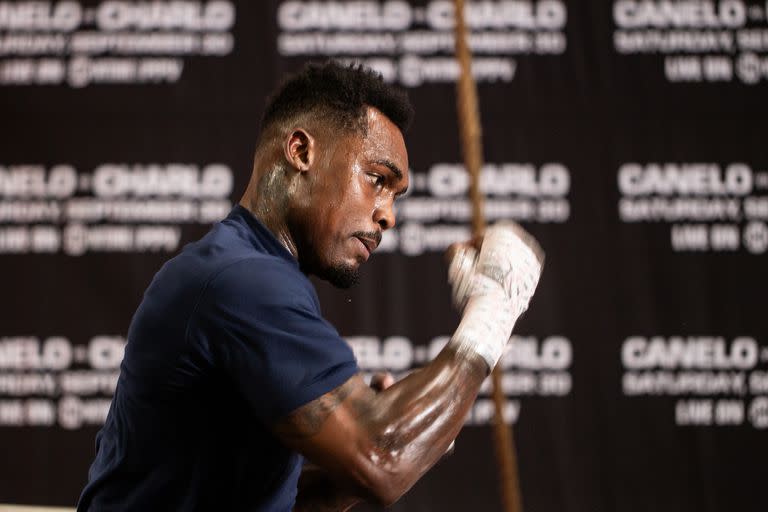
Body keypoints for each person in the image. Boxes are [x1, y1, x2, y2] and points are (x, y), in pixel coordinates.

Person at [77, 61, 544, 511]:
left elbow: (272, 501)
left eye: (394, 195)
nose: (388, 215)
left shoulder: (253, 273)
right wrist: (495, 307)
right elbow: (382, 460)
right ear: (301, 152)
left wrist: (407, 431)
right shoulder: (243, 282)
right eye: (377, 179)